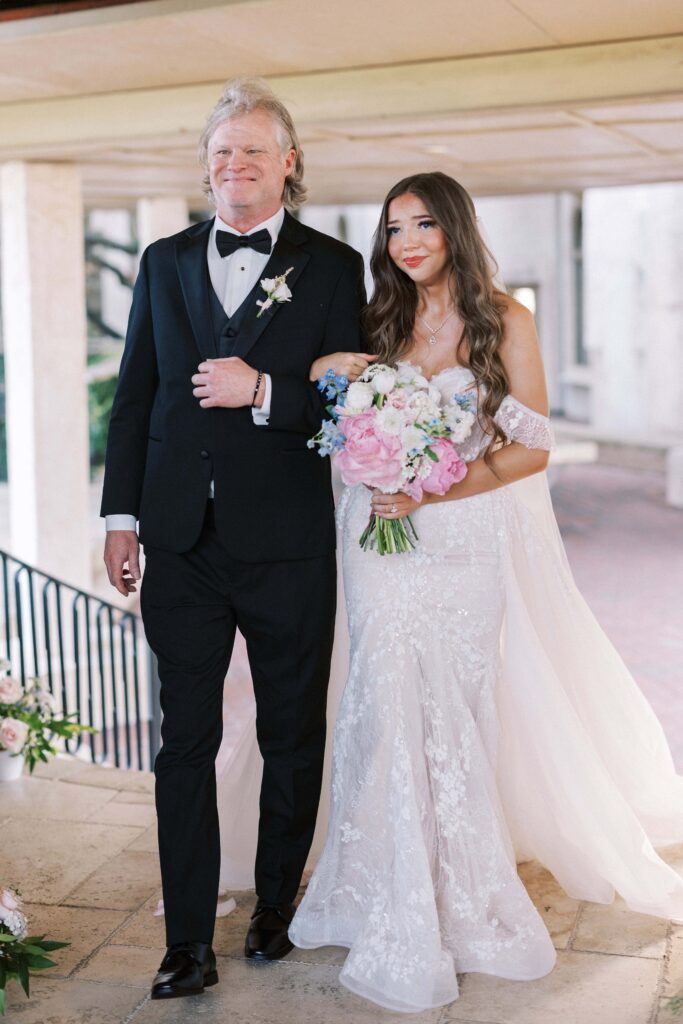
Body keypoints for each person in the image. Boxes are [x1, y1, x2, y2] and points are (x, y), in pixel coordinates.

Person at [281, 172, 683, 1012]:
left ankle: (460, 897)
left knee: (454, 709)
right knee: (383, 697)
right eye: (393, 228)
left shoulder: (506, 318)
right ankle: (382, 885)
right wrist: (331, 372)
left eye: (423, 223)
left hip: (459, 543)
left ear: (454, 227)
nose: (407, 241)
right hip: (377, 544)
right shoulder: (378, 318)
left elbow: (530, 447)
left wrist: (429, 490)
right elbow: (334, 396)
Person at [100, 77, 367, 1000]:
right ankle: (184, 943)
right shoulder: (163, 259)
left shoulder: (332, 267)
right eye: (220, 152)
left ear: (287, 164)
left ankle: (275, 913)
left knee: (294, 735)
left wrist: (263, 393)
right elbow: (134, 397)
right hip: (177, 541)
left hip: (289, 540)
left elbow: (346, 403)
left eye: (252, 149)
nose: (234, 165)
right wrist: (119, 516)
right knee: (185, 742)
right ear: (205, 168)